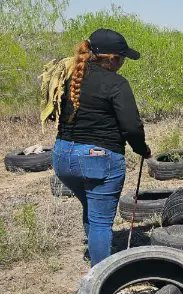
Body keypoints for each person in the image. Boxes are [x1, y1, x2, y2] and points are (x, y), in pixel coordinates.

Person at [52, 29, 151, 267]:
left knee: (91, 207)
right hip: (97, 158)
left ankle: (98, 253)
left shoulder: (71, 77)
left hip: (62, 157)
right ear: (112, 58)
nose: (123, 62)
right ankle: (101, 279)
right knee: (101, 222)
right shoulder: (116, 83)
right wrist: (142, 149)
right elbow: (131, 127)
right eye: (122, 58)